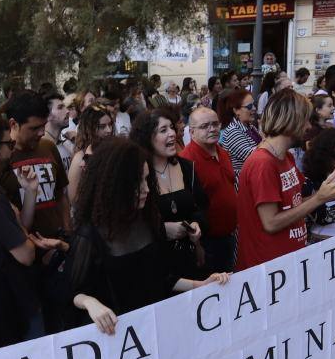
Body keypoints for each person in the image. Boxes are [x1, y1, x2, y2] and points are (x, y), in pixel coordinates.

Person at [67, 138, 228, 335]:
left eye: (146, 179)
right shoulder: (89, 235)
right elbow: (74, 292)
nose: (147, 189)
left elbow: (162, 276)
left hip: (155, 327)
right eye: (138, 182)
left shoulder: (148, 220)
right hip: (117, 336)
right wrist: (90, 302)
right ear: (116, 185)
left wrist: (200, 285)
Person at [0, 114, 60, 348]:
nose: (13, 149)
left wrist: (31, 191)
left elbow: (18, 229)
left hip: (9, 296)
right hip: (13, 300)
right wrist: (24, 234)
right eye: (9, 144)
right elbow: (25, 255)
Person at [236, 94, 335, 270]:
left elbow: (293, 203)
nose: (309, 126)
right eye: (305, 120)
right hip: (268, 268)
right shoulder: (262, 163)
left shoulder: (285, 156)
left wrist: (325, 194)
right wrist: (320, 198)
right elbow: (271, 223)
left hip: (289, 261)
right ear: (291, 120)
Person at [131, 109, 209, 280]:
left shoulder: (188, 168)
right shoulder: (139, 175)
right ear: (147, 137)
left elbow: (202, 207)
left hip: (191, 261)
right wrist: (162, 230)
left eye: (172, 128)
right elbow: (132, 222)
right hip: (156, 266)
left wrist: (196, 224)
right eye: (163, 130)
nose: (173, 134)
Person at [0, 92, 71, 239]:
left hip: (58, 244)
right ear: (13, 124)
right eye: (34, 128)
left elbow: (60, 197)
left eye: (44, 126)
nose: (42, 132)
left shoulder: (49, 147)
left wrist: (68, 233)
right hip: (25, 249)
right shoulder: (1, 158)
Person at [181, 106, 238, 273]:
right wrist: (197, 245)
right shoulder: (186, 161)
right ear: (191, 132)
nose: (212, 129)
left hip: (229, 236)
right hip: (207, 242)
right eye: (205, 126)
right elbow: (188, 208)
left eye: (215, 124)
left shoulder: (223, 152)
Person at [67, 104, 114, 205]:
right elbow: (73, 198)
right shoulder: (80, 158)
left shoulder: (113, 151)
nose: (109, 130)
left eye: (110, 125)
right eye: (102, 126)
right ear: (89, 128)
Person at [218, 88, 260, 177]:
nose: (254, 108)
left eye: (254, 105)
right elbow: (255, 157)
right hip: (243, 184)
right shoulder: (232, 131)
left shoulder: (250, 126)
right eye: (249, 106)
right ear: (236, 110)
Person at [43, 89, 74, 170]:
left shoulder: (67, 144)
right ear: (48, 115)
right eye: (60, 108)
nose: (67, 111)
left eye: (65, 107)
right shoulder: (42, 147)